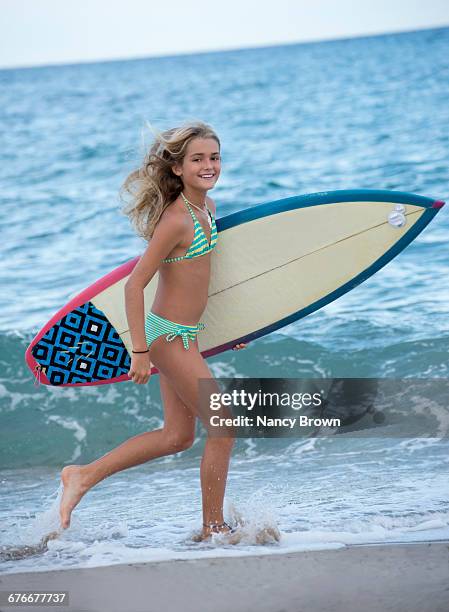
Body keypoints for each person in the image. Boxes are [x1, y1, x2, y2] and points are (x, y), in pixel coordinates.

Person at [59, 121, 247, 541]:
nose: (208, 165)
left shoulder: (208, 208)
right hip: (166, 338)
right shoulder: (178, 219)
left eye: (214, 157)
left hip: (187, 335)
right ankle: (212, 526)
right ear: (178, 168)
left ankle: (82, 476)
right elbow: (134, 284)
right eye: (197, 158)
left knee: (177, 437)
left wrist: (238, 327)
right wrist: (140, 351)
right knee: (224, 426)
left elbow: (199, 283)